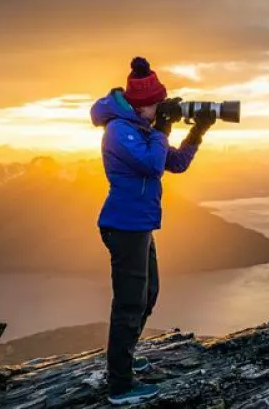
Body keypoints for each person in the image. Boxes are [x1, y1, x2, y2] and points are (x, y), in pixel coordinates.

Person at [89, 56, 215, 405]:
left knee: (148, 295)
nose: (162, 109)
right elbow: (151, 164)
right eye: (158, 105)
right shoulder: (119, 130)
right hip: (124, 227)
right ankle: (120, 386)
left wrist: (198, 131)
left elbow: (174, 163)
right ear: (143, 105)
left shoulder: (142, 128)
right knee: (130, 303)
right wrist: (163, 127)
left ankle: (124, 359)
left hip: (139, 225)